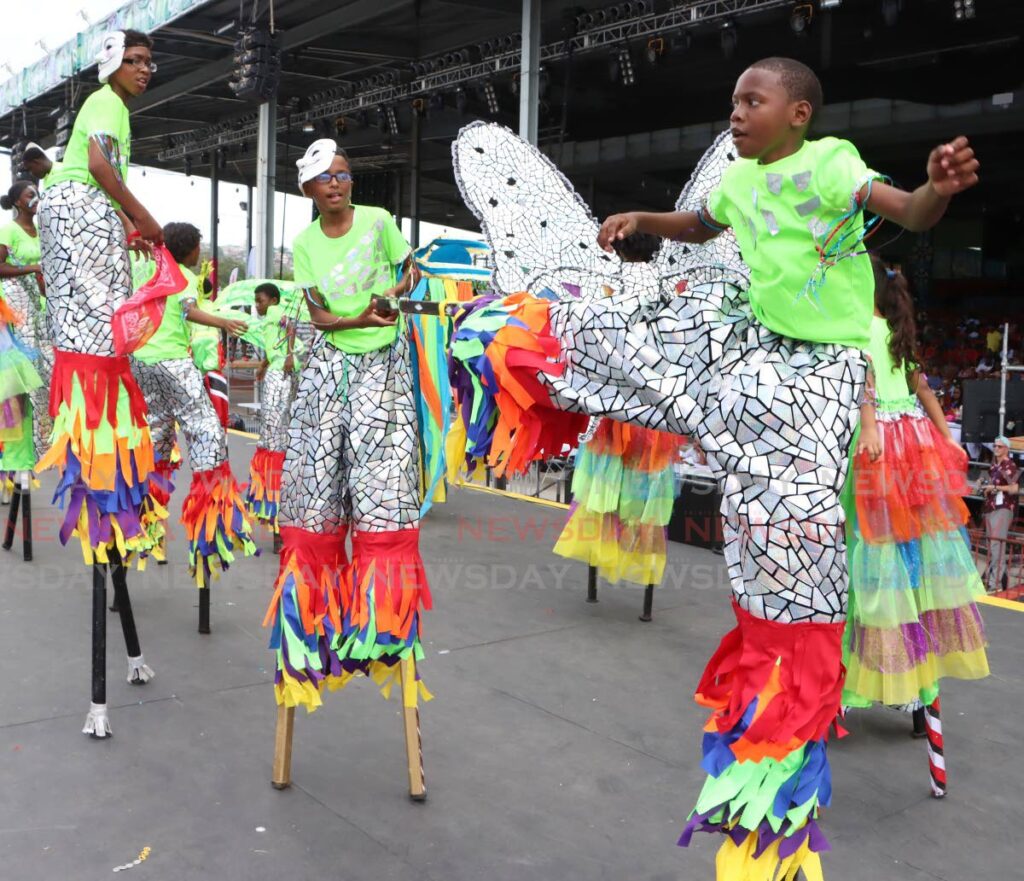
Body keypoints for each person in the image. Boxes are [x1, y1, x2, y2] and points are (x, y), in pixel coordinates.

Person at [452, 56, 979, 879]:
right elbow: (699, 227)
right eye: (732, 99)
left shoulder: (831, 164)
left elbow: (907, 210)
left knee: (787, 559)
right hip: (748, 352)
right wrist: (640, 218)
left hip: (817, 374)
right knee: (620, 338)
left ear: (799, 113)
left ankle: (785, 707)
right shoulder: (737, 184)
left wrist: (938, 187)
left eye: (751, 100)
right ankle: (538, 340)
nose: (735, 113)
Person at [263, 140, 432, 712]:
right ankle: (312, 626)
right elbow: (317, 316)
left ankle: (380, 628)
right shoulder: (305, 242)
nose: (336, 184)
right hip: (328, 368)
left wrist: (390, 296)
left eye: (343, 175)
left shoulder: (381, 221)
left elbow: (411, 271)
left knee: (383, 494)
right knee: (315, 496)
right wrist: (355, 316)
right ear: (308, 190)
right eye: (324, 178)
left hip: (382, 368)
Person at [34, 28, 165, 737]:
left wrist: (129, 225)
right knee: (104, 338)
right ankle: (98, 405)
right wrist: (143, 218)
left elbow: (93, 178)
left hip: (75, 217)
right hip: (81, 214)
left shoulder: (104, 106)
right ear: (114, 64)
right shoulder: (107, 107)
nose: (147, 71)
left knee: (98, 331)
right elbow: (99, 169)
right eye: (138, 61)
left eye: (151, 62)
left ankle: (96, 399)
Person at [842, 257, 988, 740]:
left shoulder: (857, 325)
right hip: (914, 446)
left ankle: (844, 689)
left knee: (865, 563)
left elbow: (865, 385)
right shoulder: (899, 332)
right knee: (914, 568)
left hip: (877, 449)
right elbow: (922, 389)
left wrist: (868, 424)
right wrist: (945, 436)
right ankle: (920, 702)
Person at [130, 221, 256, 586]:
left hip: (141, 362)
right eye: (198, 246)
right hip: (171, 360)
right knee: (207, 431)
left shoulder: (146, 266)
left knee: (158, 438)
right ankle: (211, 518)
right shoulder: (180, 273)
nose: (200, 252)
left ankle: (144, 526)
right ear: (187, 248)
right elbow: (188, 311)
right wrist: (225, 323)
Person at [245, 282, 303, 545]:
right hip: (278, 368)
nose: (258, 305)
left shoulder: (275, 311)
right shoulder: (269, 316)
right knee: (276, 433)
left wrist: (288, 356)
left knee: (273, 435)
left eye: (261, 300)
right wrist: (265, 363)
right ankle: (278, 516)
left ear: (274, 300)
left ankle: (279, 518)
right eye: (256, 301)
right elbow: (276, 342)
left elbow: (289, 328)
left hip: (281, 373)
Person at [0, 180, 52, 456]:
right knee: (21, 371)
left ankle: (40, 437)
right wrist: (32, 267)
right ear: (18, 202)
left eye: (37, 193)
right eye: (30, 194)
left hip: (37, 305)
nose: (35, 197)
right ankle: (14, 439)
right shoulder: (8, 229)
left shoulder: (42, 230)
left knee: (43, 369)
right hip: (14, 304)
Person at [982, 435, 1020, 591]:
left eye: (999, 446)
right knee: (993, 546)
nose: (996, 448)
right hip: (992, 508)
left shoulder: (1009, 466)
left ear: (1007, 449)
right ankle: (995, 582)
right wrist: (985, 487)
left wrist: (995, 488)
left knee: (997, 545)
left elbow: (1014, 488)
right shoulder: (994, 466)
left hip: (1002, 508)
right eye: (995, 446)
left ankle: (995, 584)